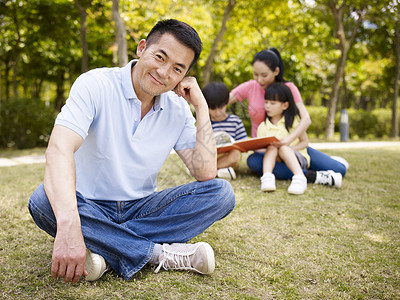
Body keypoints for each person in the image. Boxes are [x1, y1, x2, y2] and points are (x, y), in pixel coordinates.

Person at [28, 19, 235, 284]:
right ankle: (158, 254)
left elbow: (205, 172)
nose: (163, 72)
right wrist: (69, 225)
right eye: (160, 57)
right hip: (87, 204)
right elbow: (58, 150)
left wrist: (202, 108)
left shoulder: (179, 108)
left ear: (184, 76)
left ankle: (107, 247)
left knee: (221, 193)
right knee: (42, 200)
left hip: (141, 207)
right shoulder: (95, 84)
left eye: (177, 69)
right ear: (141, 48)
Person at [229, 48, 347, 187]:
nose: (259, 79)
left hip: (292, 146)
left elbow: (305, 119)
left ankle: (310, 168)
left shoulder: (288, 88)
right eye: (255, 74)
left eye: (264, 75)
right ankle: (312, 175)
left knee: (339, 169)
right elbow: (221, 100)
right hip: (267, 152)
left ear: (276, 71)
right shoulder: (250, 86)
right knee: (253, 162)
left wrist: (288, 142)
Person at [259, 83, 309, 194]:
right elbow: (261, 148)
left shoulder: (293, 121)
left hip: (298, 158)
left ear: (285, 105)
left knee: (283, 148)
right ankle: (267, 178)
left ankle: (300, 178)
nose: (267, 106)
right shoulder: (263, 126)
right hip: (276, 160)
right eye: (266, 102)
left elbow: (305, 142)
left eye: (272, 103)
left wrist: (290, 149)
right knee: (272, 147)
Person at [202, 82, 247, 180]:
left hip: (229, 158)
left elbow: (244, 144)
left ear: (226, 103)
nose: (217, 112)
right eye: (212, 108)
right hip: (210, 157)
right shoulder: (204, 122)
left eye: (221, 107)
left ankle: (207, 172)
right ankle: (220, 172)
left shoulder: (235, 122)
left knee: (235, 154)